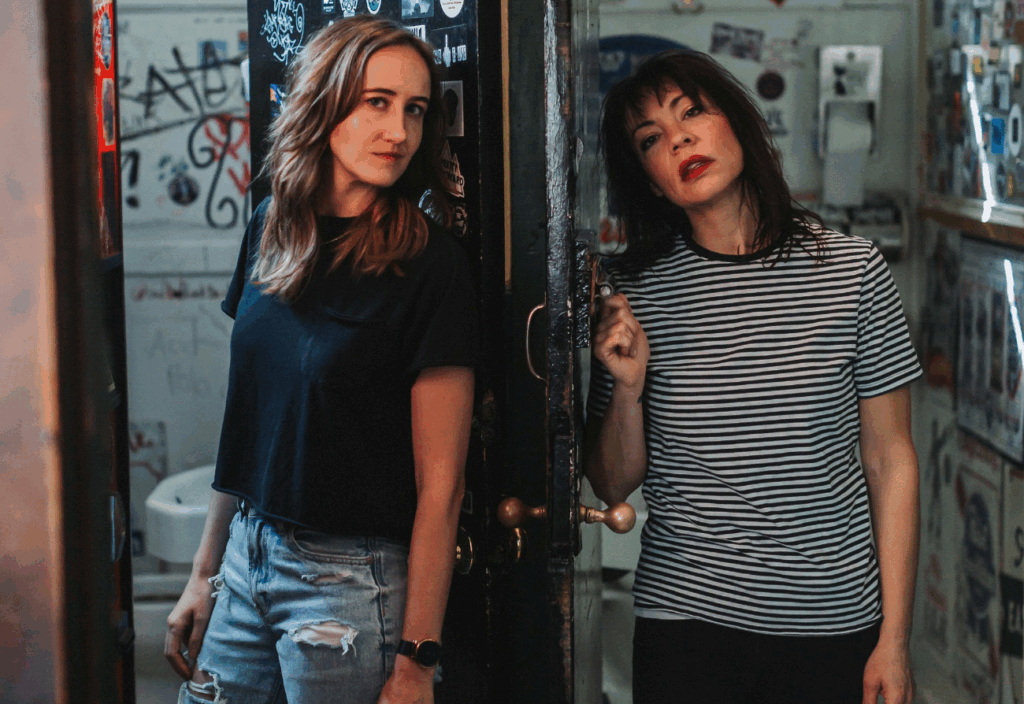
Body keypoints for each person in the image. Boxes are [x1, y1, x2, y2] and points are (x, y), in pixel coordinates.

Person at [586, 49, 921, 704]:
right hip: (687, 624)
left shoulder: (853, 271)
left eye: (692, 113)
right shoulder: (634, 295)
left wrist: (897, 638)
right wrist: (627, 386)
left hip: (833, 620)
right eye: (651, 138)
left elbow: (892, 460)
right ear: (652, 181)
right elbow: (610, 481)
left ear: (738, 125)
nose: (678, 137)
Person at [164, 16, 478, 704]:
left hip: (350, 580)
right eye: (377, 102)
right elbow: (246, 420)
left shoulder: (432, 266)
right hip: (247, 555)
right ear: (323, 101)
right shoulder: (270, 227)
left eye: (415, 110)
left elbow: (442, 487)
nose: (399, 131)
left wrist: (417, 661)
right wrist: (204, 573)